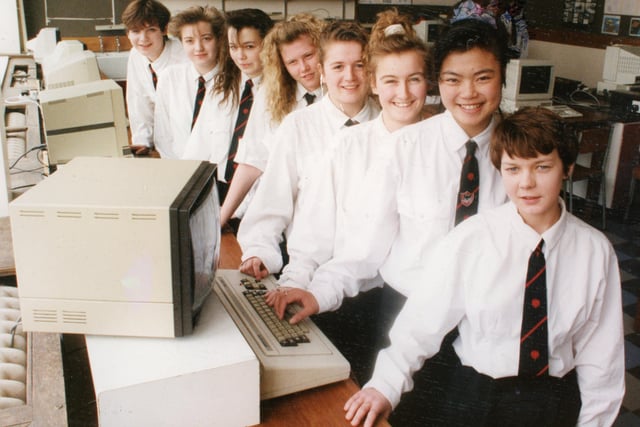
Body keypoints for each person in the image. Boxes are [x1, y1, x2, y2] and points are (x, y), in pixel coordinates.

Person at [344, 107, 625, 427]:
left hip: (554, 399)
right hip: (476, 398)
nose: (527, 183)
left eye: (542, 167)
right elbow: (421, 323)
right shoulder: (472, 239)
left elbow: (603, 356)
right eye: (513, 169)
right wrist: (385, 385)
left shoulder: (595, 250)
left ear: (567, 169)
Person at [236, 20, 380, 279]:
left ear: (372, 71)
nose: (350, 76)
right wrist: (259, 251)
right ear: (322, 72)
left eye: (360, 65)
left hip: (374, 280)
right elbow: (272, 202)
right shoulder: (297, 126)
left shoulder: (389, 127)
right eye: (338, 67)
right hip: (308, 275)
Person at [219, 13, 325, 228]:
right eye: (292, 62)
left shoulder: (345, 91)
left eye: (309, 56)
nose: (303, 68)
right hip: (283, 211)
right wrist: (222, 217)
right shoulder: (271, 93)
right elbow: (252, 159)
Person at [182, 8, 274, 202]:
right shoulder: (220, 87)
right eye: (234, 47)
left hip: (257, 199)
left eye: (249, 46)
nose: (240, 56)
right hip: (217, 193)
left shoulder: (279, 93)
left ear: (268, 45)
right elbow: (197, 148)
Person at [153, 5, 226, 159]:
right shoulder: (169, 78)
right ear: (182, 43)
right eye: (189, 41)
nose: (198, 47)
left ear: (218, 39)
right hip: (179, 169)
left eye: (206, 38)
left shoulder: (232, 81)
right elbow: (163, 135)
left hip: (217, 173)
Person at [122, 0, 187, 155]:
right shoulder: (136, 55)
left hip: (190, 141)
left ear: (164, 30)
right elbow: (139, 103)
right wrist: (142, 141)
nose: (143, 39)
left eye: (151, 30)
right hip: (164, 144)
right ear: (128, 33)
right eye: (135, 31)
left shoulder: (184, 57)